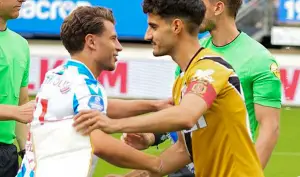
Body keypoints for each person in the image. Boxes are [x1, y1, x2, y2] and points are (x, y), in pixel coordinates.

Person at [73, 0, 265, 176]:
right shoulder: (183, 80)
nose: (147, 35)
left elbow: (185, 116)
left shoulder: (210, 67)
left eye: (153, 27)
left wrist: (114, 124)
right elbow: (183, 150)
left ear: (176, 26)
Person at [124, 0, 282, 170]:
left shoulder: (259, 59)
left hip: (228, 165)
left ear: (218, 7)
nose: (194, 8)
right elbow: (185, 113)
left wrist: (250, 172)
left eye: (200, 3)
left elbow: (270, 128)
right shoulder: (194, 51)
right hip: (189, 162)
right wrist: (153, 137)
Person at [17, 6, 173, 177]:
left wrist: (154, 105)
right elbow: (98, 142)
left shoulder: (57, 75)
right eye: (113, 39)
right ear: (91, 42)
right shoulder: (85, 86)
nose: (119, 47)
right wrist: (157, 164)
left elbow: (100, 106)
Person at [0, 0, 35, 176]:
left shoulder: (21, 44)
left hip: (8, 155)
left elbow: (22, 104)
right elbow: (19, 111)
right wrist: (15, 112)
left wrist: (25, 152)